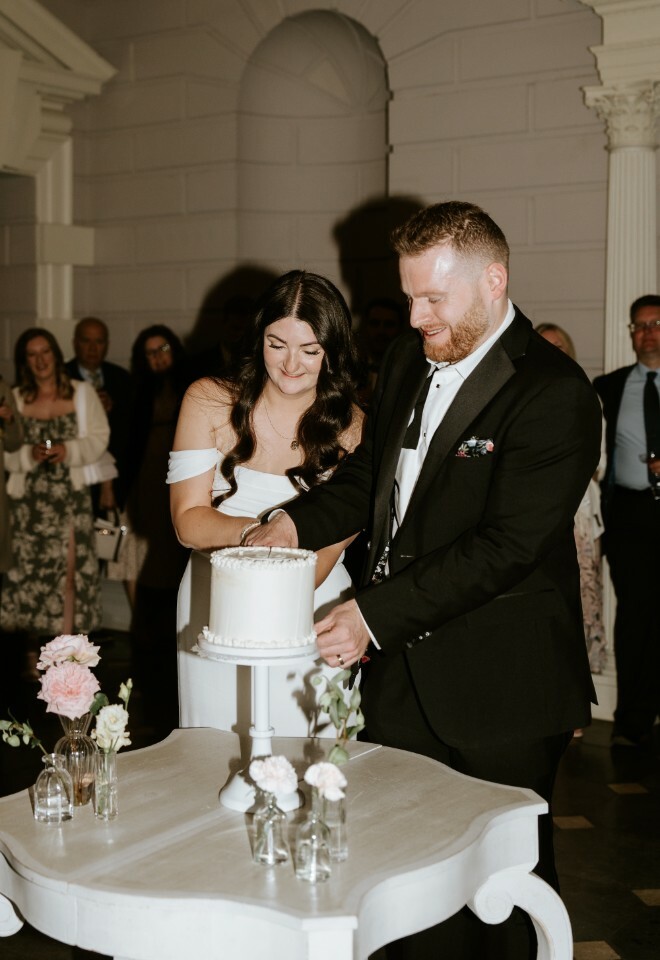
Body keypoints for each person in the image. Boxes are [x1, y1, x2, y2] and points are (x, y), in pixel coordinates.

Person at [249, 202, 602, 959]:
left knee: (500, 896)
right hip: (404, 680)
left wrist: (371, 615)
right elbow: (372, 478)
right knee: (405, 881)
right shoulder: (410, 360)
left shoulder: (555, 392)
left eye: (434, 298)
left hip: (502, 687)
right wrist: (292, 524)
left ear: (494, 281)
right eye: (410, 297)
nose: (415, 317)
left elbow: (505, 547)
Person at [168, 270, 364, 736]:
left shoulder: (354, 425)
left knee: (309, 748)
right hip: (214, 597)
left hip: (315, 600)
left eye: (310, 350)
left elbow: (337, 538)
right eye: (277, 344)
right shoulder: (209, 400)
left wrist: (282, 594)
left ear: (333, 351)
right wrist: (261, 542)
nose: (291, 364)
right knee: (216, 743)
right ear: (258, 339)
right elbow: (187, 521)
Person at [1, 329, 110, 648]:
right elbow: (5, 451)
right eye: (32, 355)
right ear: (24, 361)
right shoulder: (15, 397)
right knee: (28, 577)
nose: (40, 360)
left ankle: (66, 651)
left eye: (45, 352)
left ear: (56, 355)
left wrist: (68, 450)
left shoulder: (81, 392)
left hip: (69, 499)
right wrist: (28, 455)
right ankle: (30, 656)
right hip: (27, 503)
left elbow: (100, 437)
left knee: (69, 575)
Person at [594, 294, 660, 748]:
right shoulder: (609, 387)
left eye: (655, 324)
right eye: (639, 326)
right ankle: (632, 723)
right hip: (631, 516)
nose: (647, 333)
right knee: (635, 615)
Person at [536, 323, 606, 678]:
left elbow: (599, 460)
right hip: (534, 514)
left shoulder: (584, 395)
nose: (552, 352)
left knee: (580, 597)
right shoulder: (519, 394)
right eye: (544, 345)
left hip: (579, 513)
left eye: (559, 345)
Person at [65, 316, 132, 514]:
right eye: (86, 341)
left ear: (107, 345)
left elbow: (131, 429)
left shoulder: (122, 378)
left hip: (116, 473)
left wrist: (113, 409)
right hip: (75, 471)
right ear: (75, 343)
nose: (93, 348)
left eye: (99, 341)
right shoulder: (62, 376)